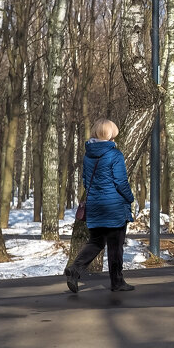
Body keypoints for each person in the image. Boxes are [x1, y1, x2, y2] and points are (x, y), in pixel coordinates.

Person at [65, 119, 135, 293]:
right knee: (115, 245)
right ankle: (117, 282)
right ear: (110, 134)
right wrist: (130, 197)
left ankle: (75, 269)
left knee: (96, 242)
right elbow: (120, 182)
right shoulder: (115, 154)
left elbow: (85, 181)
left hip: (95, 205)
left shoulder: (88, 155)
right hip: (113, 207)